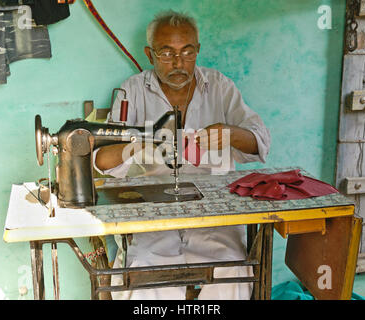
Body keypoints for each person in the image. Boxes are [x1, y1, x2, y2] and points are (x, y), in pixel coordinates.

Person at [94, 10, 271, 300]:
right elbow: (101, 161)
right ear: (150, 54)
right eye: (167, 53)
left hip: (215, 217)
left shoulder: (220, 88)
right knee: (145, 275)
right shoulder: (132, 92)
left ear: (197, 51)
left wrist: (229, 133)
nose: (178, 63)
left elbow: (260, 140)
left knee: (235, 272)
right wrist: (141, 143)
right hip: (152, 217)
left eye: (187, 52)